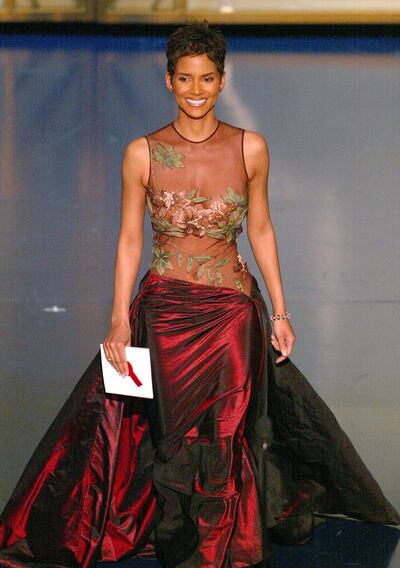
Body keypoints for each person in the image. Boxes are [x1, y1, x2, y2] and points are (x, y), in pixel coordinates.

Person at [0, 19, 399, 568]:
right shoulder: (141, 153)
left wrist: (280, 311)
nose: (195, 91)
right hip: (162, 309)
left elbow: (260, 228)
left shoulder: (250, 148)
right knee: (164, 434)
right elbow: (128, 239)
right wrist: (119, 319)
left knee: (227, 429)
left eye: (207, 79)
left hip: (233, 307)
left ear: (221, 80)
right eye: (185, 79)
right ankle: (177, 528)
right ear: (168, 81)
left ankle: (221, 542)